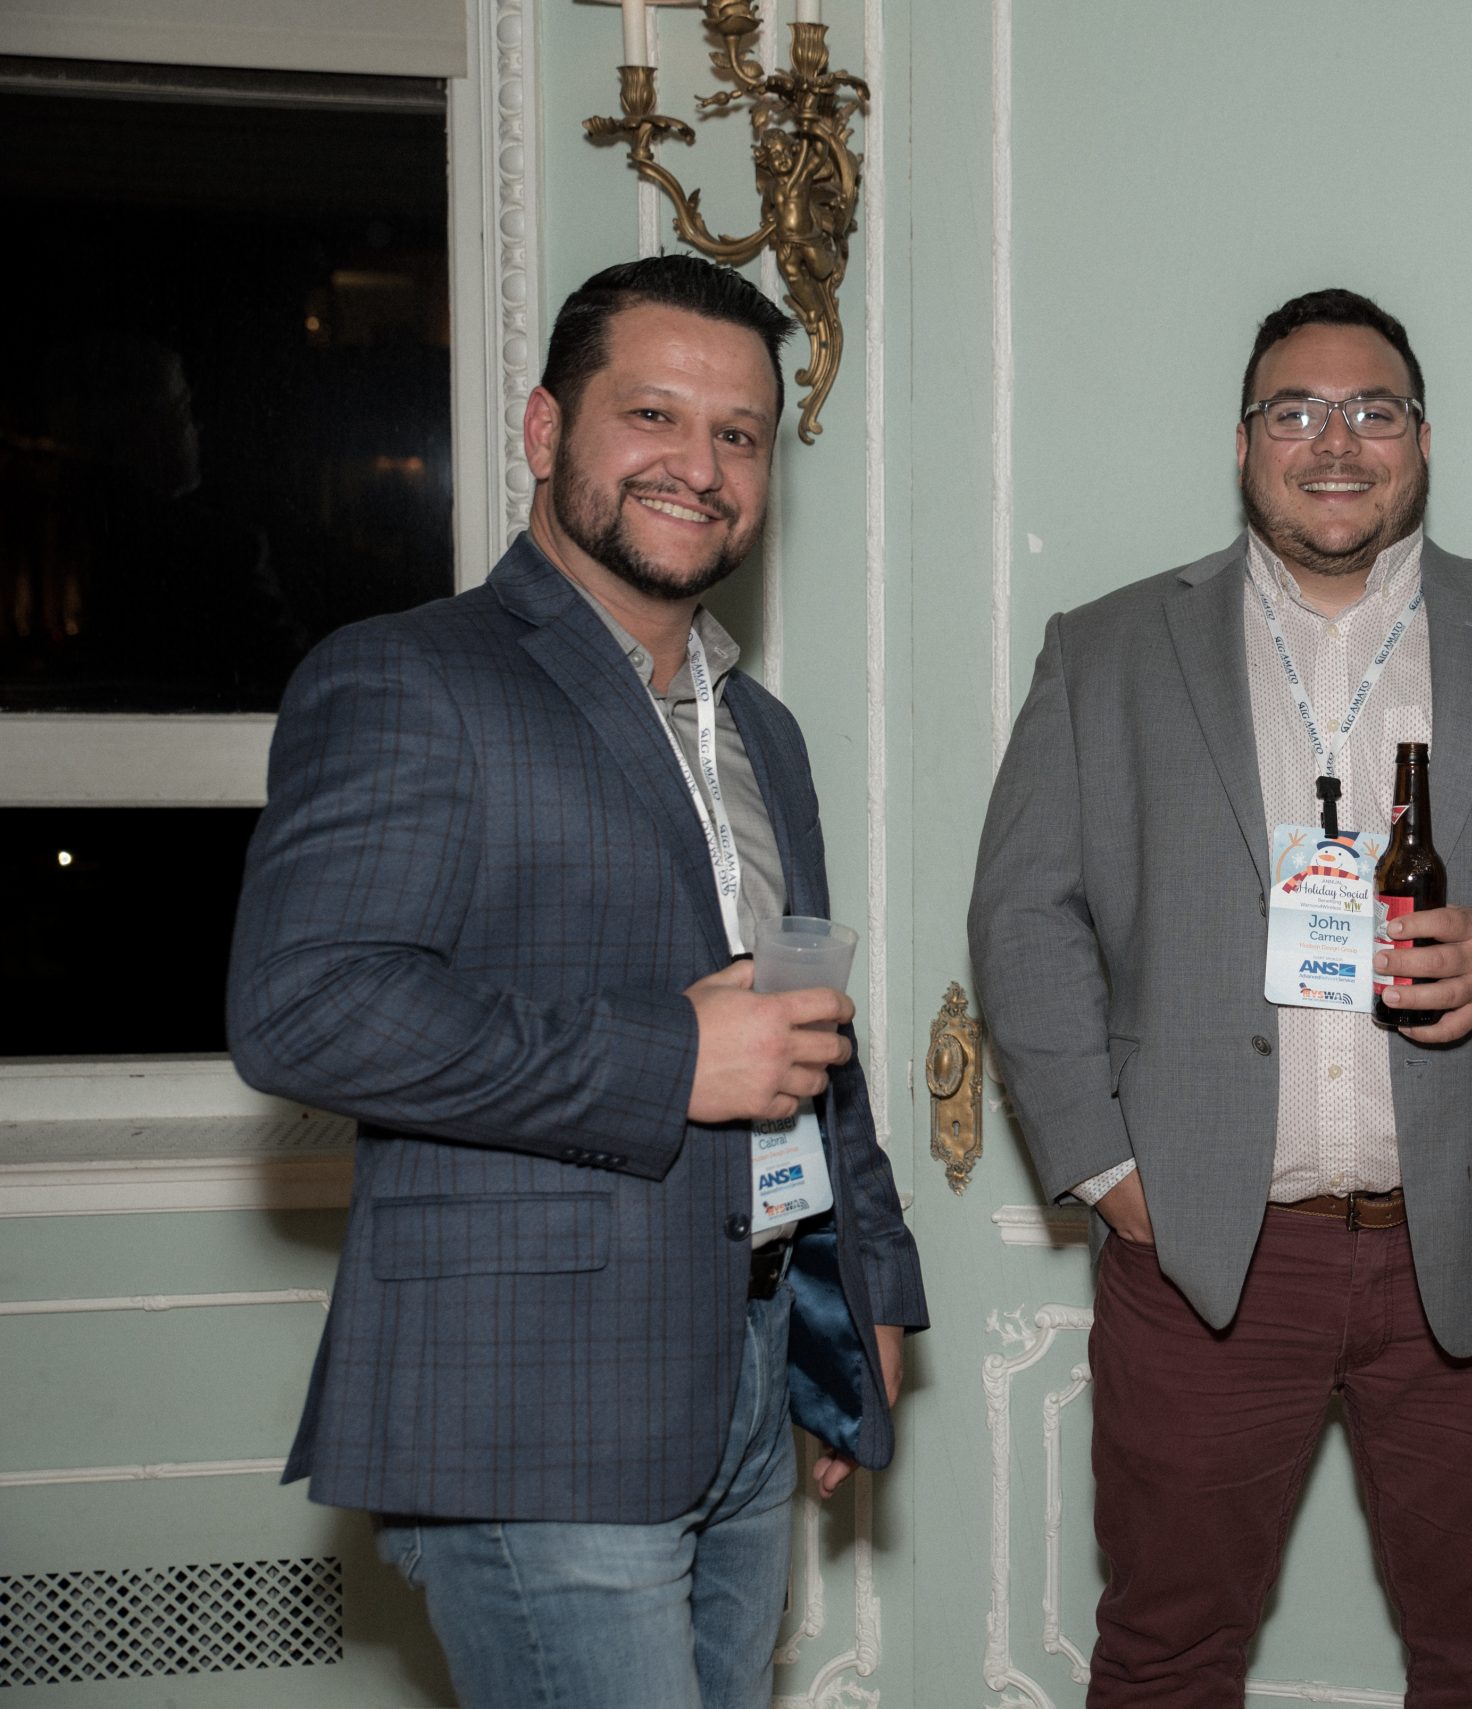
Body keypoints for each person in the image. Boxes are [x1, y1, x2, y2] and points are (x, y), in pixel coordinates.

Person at [969, 287, 1472, 1708]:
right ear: (1242, 441)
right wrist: (1106, 1167)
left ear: (1423, 440)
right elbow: (1023, 914)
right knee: (1164, 1658)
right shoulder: (1107, 649)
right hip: (1202, 1259)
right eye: (1295, 411)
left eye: (1374, 409)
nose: (1336, 441)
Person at [228, 254, 926, 1709]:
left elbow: (805, 1031)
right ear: (547, 431)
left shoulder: (765, 732)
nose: (701, 466)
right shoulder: (408, 676)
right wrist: (670, 1058)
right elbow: (306, 1008)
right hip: (531, 1401)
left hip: (754, 1361)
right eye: (653, 415)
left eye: (739, 434)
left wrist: (868, 1282)